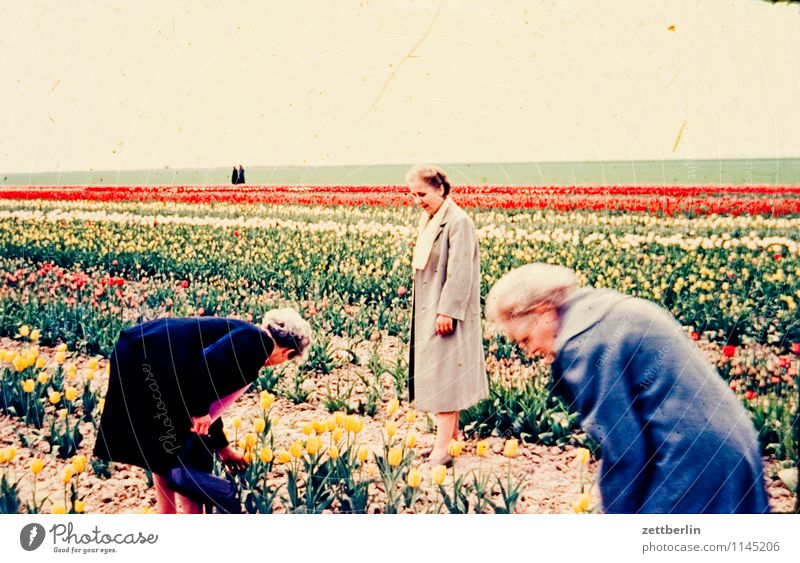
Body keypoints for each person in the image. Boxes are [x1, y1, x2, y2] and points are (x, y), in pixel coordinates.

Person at [485, 263, 771, 514]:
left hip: (692, 462)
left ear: (543, 312)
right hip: (732, 445)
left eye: (524, 339)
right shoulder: (604, 309)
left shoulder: (583, 345)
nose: (530, 350)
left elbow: (625, 452)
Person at [93, 309, 312, 514]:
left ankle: (167, 513)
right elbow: (206, 365)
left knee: (164, 446)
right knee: (185, 447)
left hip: (138, 350)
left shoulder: (247, 336)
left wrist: (223, 448)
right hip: (149, 359)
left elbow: (209, 397)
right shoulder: (257, 343)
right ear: (289, 352)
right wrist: (198, 412)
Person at [406, 164, 488, 466]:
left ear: (440, 188)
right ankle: (452, 440)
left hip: (445, 311)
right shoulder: (431, 219)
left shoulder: (457, 221)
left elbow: (461, 269)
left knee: (444, 376)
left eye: (422, 194)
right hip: (431, 306)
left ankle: (442, 450)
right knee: (443, 370)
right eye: (413, 195)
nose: (418, 200)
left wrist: (447, 311)